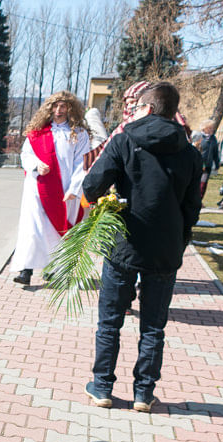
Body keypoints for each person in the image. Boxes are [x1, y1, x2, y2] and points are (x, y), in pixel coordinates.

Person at [81, 82, 202, 412]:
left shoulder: (124, 140)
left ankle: (103, 386)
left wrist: (104, 202)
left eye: (136, 108)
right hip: (166, 250)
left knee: (110, 322)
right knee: (153, 326)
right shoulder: (191, 153)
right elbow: (193, 207)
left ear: (147, 108)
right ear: (172, 111)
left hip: (123, 244)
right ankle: (144, 394)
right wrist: (180, 241)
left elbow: (92, 186)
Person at [11, 91, 90, 285]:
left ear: (71, 108)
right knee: (32, 228)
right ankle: (26, 271)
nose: (59, 110)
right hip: (37, 186)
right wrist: (36, 165)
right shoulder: (38, 132)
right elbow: (26, 155)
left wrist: (74, 188)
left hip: (63, 189)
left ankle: (53, 269)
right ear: (49, 108)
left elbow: (82, 162)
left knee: (55, 230)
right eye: (55, 106)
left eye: (63, 106)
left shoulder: (79, 134)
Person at [198, 119, 221, 200]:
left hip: (208, 165)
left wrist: (217, 163)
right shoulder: (198, 136)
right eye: (210, 128)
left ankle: (199, 200)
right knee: (195, 183)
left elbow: (215, 152)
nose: (212, 130)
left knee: (203, 183)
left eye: (212, 128)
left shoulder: (213, 138)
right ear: (204, 128)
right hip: (198, 164)